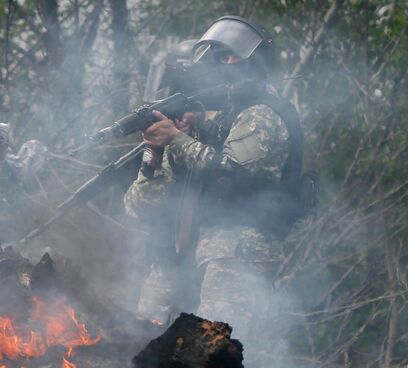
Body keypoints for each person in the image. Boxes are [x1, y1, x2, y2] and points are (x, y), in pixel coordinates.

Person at [124, 16, 306, 339]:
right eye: (219, 58)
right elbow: (140, 207)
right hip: (186, 258)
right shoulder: (210, 126)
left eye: (230, 56)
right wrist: (155, 153)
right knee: (143, 350)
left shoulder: (262, 115)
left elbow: (230, 174)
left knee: (210, 352)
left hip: (235, 254)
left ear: (254, 63)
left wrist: (179, 140)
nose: (223, 65)